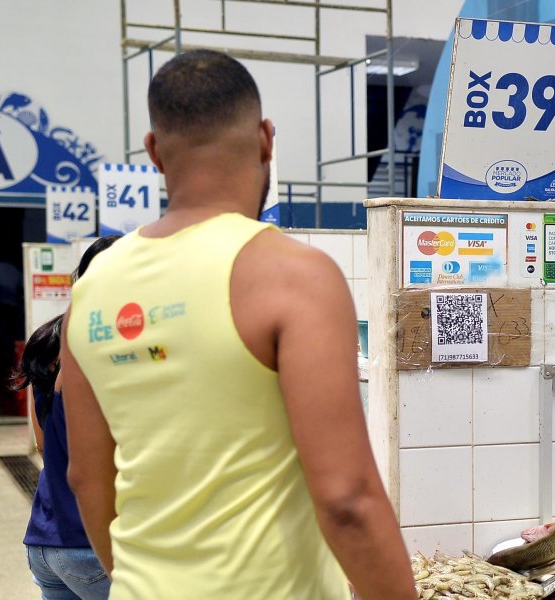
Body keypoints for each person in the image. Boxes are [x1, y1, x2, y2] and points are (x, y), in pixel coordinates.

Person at [59, 50, 414, 599]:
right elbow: (347, 500)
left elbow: (85, 477)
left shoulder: (91, 289)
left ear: (153, 151)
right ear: (266, 138)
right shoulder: (294, 275)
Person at [12, 235, 120, 600]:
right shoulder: (112, 348)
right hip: (93, 543)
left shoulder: (48, 339)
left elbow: (44, 445)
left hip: (44, 538)